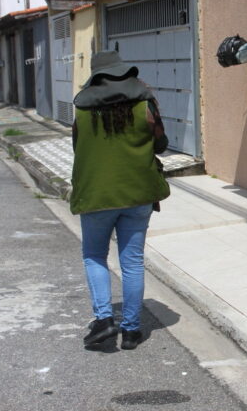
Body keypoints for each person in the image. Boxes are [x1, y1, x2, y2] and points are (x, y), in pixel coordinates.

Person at [71, 50, 170, 350]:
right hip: (138, 192)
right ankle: (130, 330)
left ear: (97, 76)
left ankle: (103, 320)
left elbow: (78, 147)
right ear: (124, 72)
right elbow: (161, 144)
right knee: (132, 262)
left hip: (96, 194)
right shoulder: (145, 103)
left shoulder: (82, 107)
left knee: (94, 255)